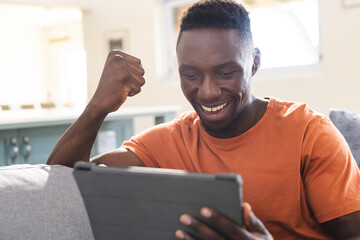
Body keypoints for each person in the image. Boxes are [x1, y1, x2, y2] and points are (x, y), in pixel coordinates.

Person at [47, 0, 360, 239]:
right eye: (191, 75)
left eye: (226, 73)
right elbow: (62, 181)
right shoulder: (164, 142)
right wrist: (97, 107)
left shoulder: (309, 131)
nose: (208, 92)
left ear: (254, 63)